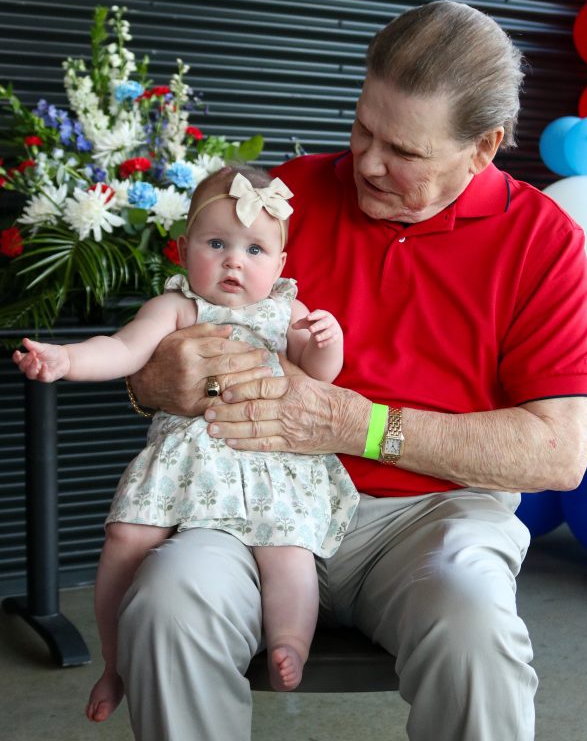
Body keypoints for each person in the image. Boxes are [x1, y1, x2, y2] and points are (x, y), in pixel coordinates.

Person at [118, 0, 587, 741]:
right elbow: (163, 343)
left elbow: (558, 452)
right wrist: (154, 381)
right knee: (166, 603)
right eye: (362, 129)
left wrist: (356, 424)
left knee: (476, 629)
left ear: (482, 148)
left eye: (403, 151)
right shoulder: (279, 198)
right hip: (250, 497)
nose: (368, 163)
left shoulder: (544, 240)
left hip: (429, 517)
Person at [12, 164, 358, 719]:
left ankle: (290, 642)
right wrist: (66, 359)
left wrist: (325, 342)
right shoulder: (176, 308)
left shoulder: (287, 311)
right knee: (124, 537)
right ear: (181, 249)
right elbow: (122, 351)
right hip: (187, 459)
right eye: (216, 244)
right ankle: (115, 663)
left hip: (270, 457)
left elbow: (321, 377)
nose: (233, 262)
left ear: (280, 265)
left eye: (254, 250)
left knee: (287, 550)